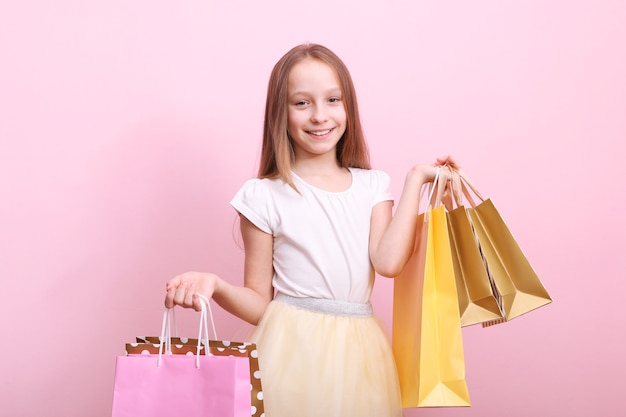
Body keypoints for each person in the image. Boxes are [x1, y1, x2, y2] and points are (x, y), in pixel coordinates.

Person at [164, 43, 455, 417]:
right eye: (302, 103)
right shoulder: (263, 195)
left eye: (333, 99)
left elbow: (388, 262)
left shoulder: (371, 186)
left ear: (348, 105)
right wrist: (215, 285)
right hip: (289, 351)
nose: (320, 115)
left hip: (361, 354)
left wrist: (416, 179)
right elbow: (258, 304)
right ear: (279, 114)